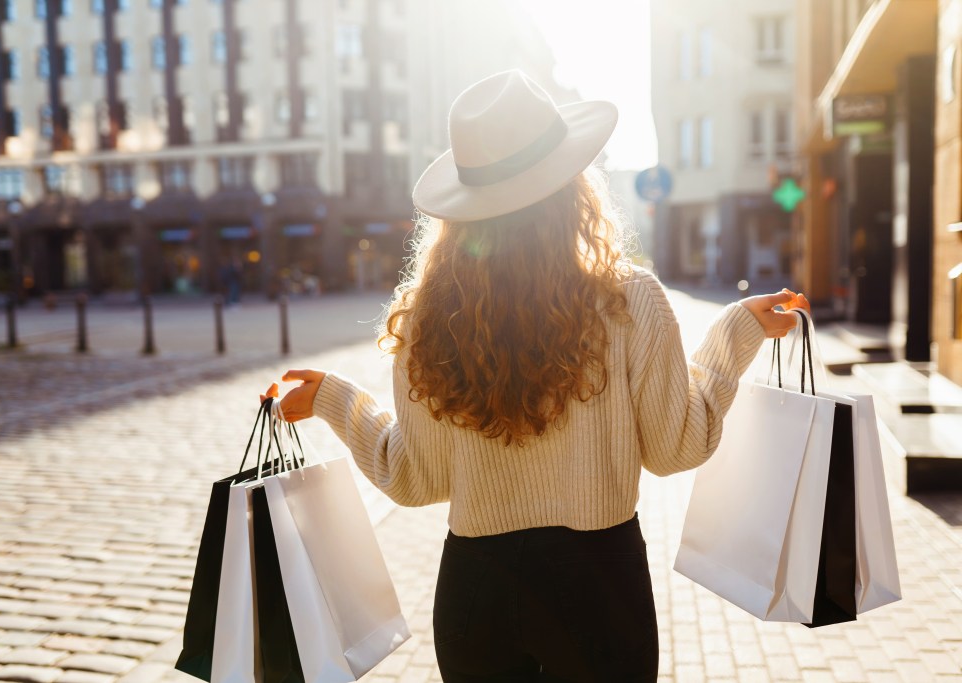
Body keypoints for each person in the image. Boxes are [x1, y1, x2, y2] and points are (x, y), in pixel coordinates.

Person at [278, 70, 803, 682]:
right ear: (572, 189)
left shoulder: (430, 320)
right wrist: (732, 338)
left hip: (477, 595)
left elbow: (414, 479)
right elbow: (674, 448)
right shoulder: (630, 302)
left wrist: (337, 402)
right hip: (600, 589)